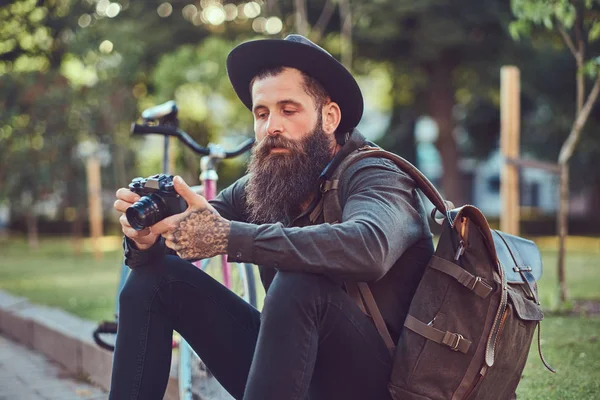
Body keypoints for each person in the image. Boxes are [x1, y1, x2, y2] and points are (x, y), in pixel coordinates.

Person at [110, 34, 434, 400]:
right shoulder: (267, 182)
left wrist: (231, 237)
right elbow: (193, 231)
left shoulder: (377, 173)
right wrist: (146, 240)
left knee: (299, 284)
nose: (271, 127)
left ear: (329, 117)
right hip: (293, 370)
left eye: (288, 110)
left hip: (382, 386)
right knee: (153, 280)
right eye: (261, 113)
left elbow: (368, 247)